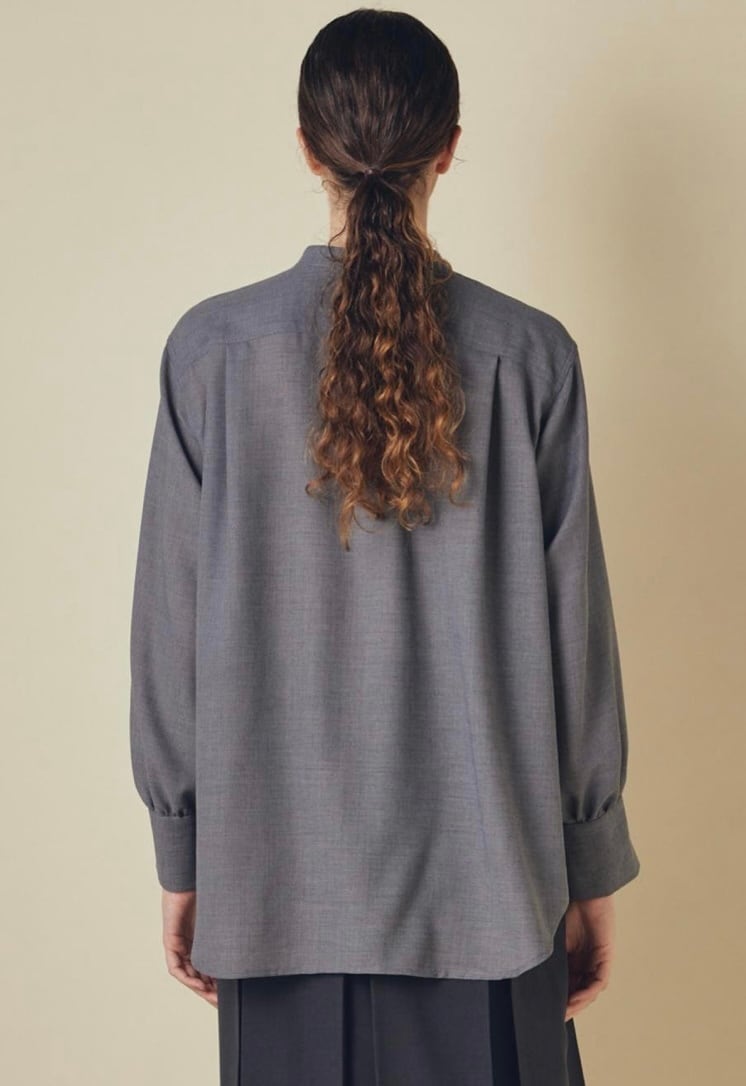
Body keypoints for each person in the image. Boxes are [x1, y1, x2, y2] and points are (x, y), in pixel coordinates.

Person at [128, 9, 641, 1084]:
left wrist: (182, 851)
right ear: (447, 148)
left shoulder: (209, 355)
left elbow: (167, 635)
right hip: (493, 895)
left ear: (306, 147)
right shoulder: (530, 357)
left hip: (271, 890)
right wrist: (590, 858)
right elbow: (576, 645)